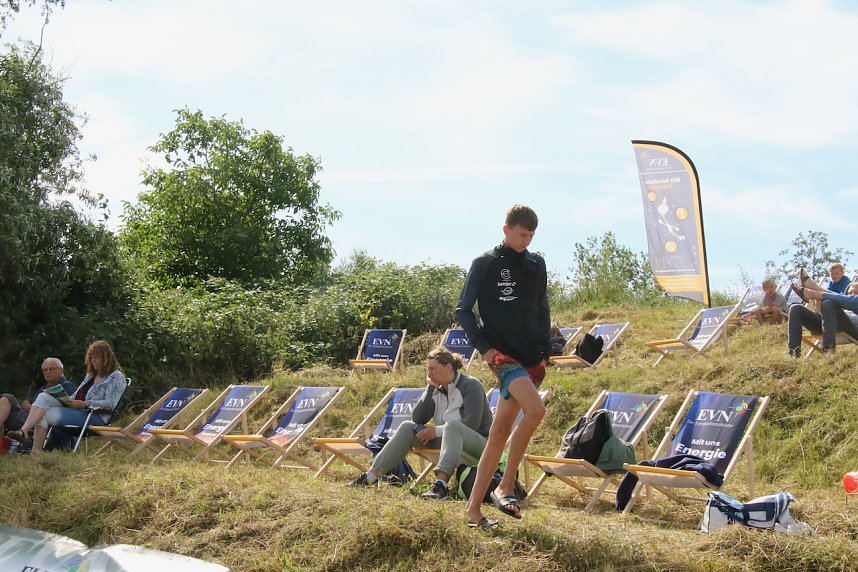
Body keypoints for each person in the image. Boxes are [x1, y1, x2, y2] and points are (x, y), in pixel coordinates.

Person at [456, 204, 550, 528]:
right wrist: (484, 349)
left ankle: (473, 511)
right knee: (536, 411)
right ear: (506, 229)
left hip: (531, 358)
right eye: (522, 234)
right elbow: (463, 311)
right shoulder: (484, 264)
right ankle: (505, 486)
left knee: (498, 433)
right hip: (503, 358)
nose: (526, 240)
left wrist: (545, 352)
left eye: (531, 235)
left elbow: (542, 308)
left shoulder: (536, 264)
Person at [346, 347, 492, 500]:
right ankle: (371, 476)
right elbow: (417, 418)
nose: (429, 374)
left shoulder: (470, 385)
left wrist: (436, 431)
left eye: (433, 369)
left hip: (481, 446)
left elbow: (471, 424)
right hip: (450, 442)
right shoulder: (437, 389)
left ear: (448, 367)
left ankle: (441, 485)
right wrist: (430, 390)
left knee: (453, 426)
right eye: (427, 369)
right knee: (408, 427)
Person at [8, 340, 126, 452]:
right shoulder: (91, 375)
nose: (92, 360)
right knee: (44, 396)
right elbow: (77, 395)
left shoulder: (116, 376)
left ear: (105, 358)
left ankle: (35, 451)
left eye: (96, 357)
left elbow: (111, 404)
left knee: (44, 413)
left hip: (94, 417)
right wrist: (64, 398)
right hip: (78, 410)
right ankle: (23, 431)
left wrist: (86, 403)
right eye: (91, 357)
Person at [0, 358, 76, 438]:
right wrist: (27, 407)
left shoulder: (67, 386)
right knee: (3, 405)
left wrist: (31, 408)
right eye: (45, 370)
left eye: (51, 369)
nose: (48, 372)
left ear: (61, 370)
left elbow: (67, 410)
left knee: (8, 398)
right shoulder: (42, 389)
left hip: (42, 423)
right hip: (28, 419)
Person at [787, 282, 858, 356]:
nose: (852, 295)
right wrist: (819, 310)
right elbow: (826, 320)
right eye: (850, 293)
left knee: (828, 303)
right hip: (829, 328)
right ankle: (793, 354)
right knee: (795, 308)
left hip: (852, 330)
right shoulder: (842, 308)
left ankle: (829, 351)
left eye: (856, 293)